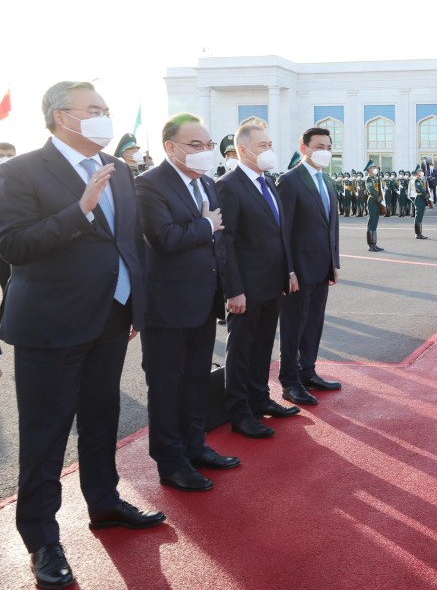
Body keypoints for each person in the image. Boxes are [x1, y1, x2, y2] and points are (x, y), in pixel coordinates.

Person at [0, 81, 165, 589]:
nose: (103, 117)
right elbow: (14, 245)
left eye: (106, 109)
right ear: (59, 117)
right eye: (93, 109)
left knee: (101, 416)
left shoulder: (117, 170)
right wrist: (79, 211)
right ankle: (42, 538)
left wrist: (134, 304)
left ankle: (104, 501)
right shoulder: (19, 171)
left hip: (111, 319)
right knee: (46, 434)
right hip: (51, 324)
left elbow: (129, 243)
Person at [135, 113, 240, 493]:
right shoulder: (149, 185)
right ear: (171, 147)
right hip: (167, 306)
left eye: (208, 145)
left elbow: (220, 244)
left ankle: (196, 447)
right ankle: (170, 461)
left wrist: (228, 288)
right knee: (166, 385)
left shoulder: (207, 184)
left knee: (195, 380)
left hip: (203, 302)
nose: (205, 152)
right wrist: (206, 225)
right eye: (195, 145)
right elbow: (162, 238)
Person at [216, 122, 300, 439]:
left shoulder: (268, 183)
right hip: (246, 289)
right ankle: (239, 412)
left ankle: (260, 398)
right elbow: (226, 242)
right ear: (243, 149)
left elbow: (280, 234)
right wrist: (234, 290)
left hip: (272, 284)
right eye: (262, 145)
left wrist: (288, 271)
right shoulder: (229, 185)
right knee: (241, 351)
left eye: (269, 144)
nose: (269, 150)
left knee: (264, 345)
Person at [276, 126, 343, 407]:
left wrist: (334, 262)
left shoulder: (326, 181)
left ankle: (308, 372)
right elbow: (283, 231)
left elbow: (332, 226)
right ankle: (290, 381)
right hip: (298, 271)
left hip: (322, 267)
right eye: (319, 146)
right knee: (294, 326)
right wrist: (288, 270)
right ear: (304, 148)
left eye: (328, 147)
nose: (324, 151)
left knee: (314, 323)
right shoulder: (289, 181)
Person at [0, 142, 15, 293]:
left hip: (8, 243)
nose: (5, 158)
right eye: (1, 155)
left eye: (9, 155)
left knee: (8, 286)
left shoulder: (19, 180)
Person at [412, 165, 432, 239]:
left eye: (421, 171)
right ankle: (417, 233)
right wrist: (427, 197)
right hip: (419, 199)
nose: (421, 172)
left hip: (422, 200)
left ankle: (420, 233)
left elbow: (425, 189)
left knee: (420, 217)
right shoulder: (417, 181)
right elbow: (421, 190)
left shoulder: (421, 181)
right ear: (417, 173)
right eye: (419, 171)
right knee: (418, 217)